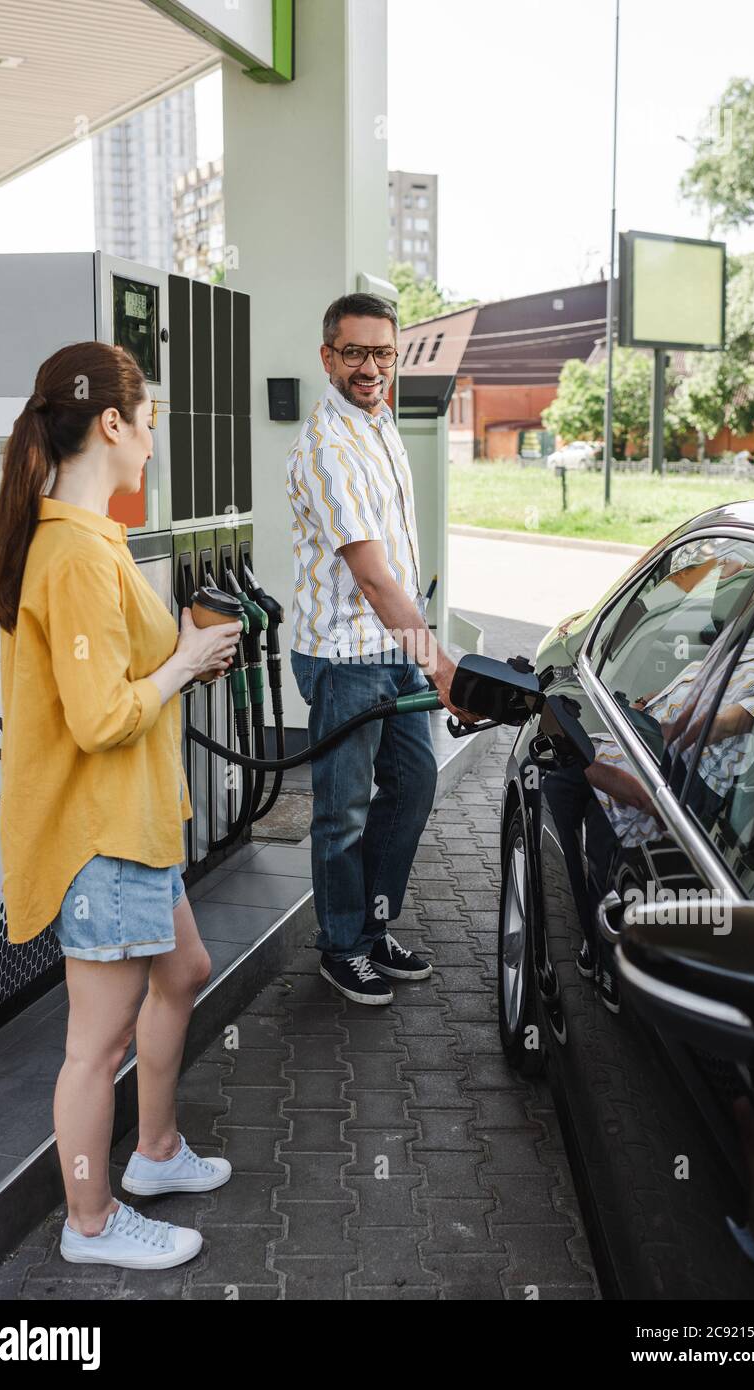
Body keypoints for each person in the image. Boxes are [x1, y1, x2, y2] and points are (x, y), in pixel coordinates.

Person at [0, 342, 244, 1271]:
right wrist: (182, 663)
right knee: (93, 1048)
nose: (151, 445)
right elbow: (98, 721)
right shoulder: (74, 554)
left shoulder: (89, 539)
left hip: (136, 824)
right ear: (111, 424)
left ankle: (159, 1152)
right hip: (105, 835)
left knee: (183, 971)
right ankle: (88, 1220)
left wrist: (180, 648)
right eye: (150, 424)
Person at [286, 293, 475, 1005]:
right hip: (343, 656)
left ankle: (371, 924)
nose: (371, 367)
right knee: (343, 811)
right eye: (356, 353)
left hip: (390, 645)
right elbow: (368, 574)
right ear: (328, 357)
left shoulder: (379, 421)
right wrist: (441, 665)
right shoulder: (328, 449)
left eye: (383, 352)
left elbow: (390, 567)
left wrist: (419, 647)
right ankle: (341, 947)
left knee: (414, 783)